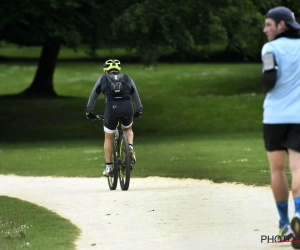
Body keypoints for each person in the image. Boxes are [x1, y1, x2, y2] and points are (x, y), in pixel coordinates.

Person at [262, 6, 300, 246]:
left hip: (274, 117)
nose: (265, 29)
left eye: (268, 24)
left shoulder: (270, 49)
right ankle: (299, 216)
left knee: (277, 170)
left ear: (281, 25)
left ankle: (285, 225)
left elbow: (269, 80)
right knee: (298, 168)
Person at [86, 59, 143, 176]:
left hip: (111, 108)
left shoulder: (102, 79)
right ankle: (130, 147)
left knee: (108, 137)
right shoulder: (127, 78)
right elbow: (135, 95)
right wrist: (139, 109)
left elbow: (93, 97)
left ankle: (108, 167)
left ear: (105, 71)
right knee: (127, 129)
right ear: (119, 70)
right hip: (128, 106)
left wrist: (89, 111)